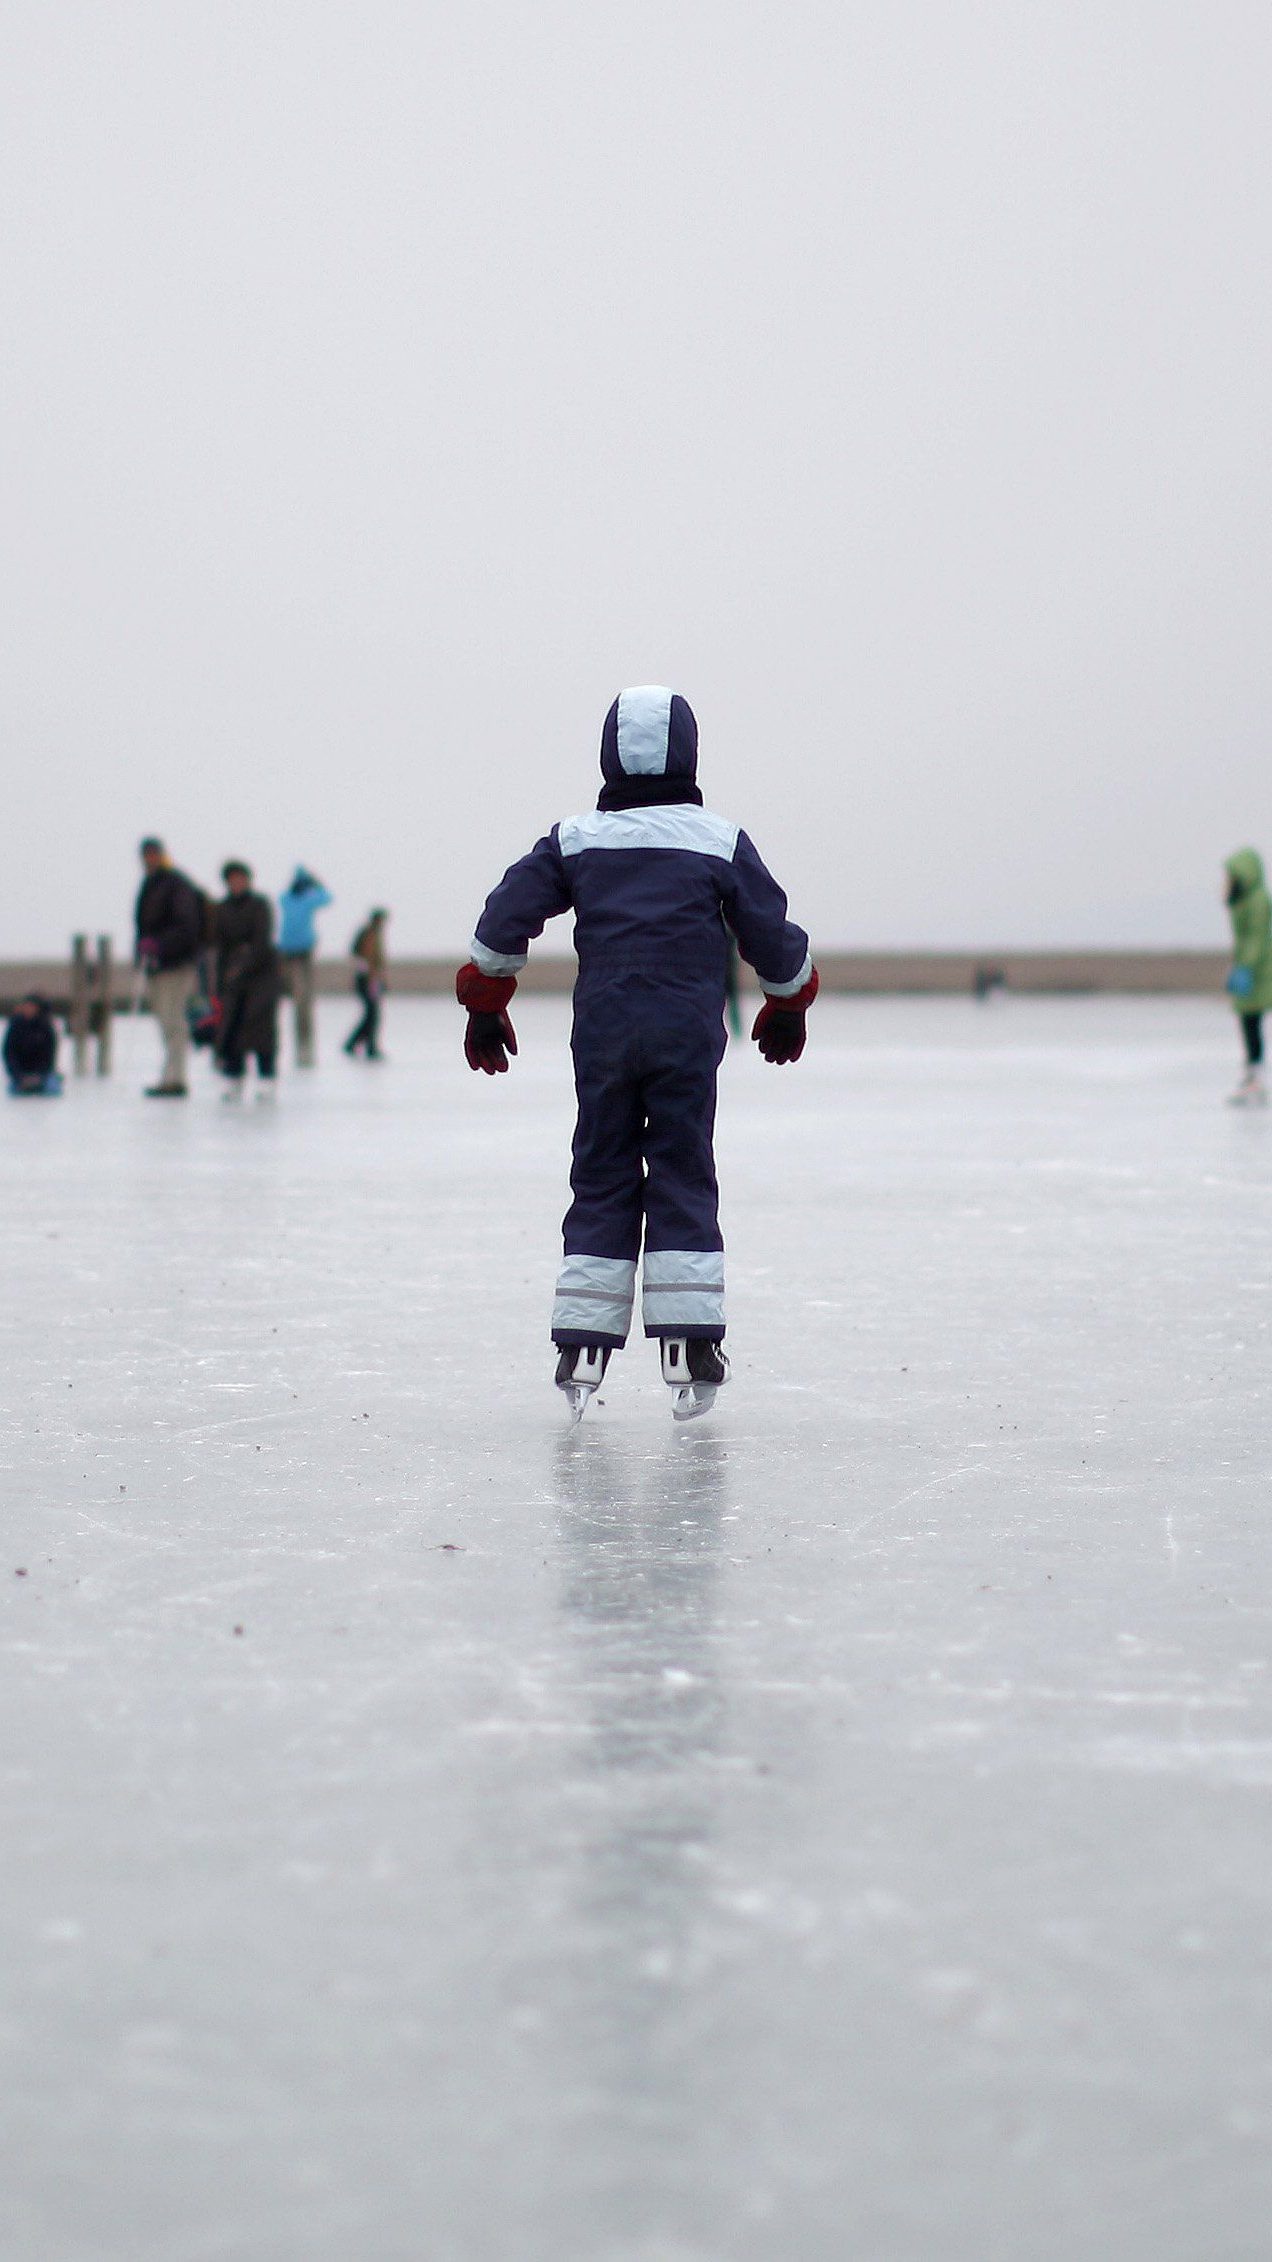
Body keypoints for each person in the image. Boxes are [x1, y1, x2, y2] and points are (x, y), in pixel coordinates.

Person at [456, 685, 818, 1421]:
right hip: (685, 1034)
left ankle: (582, 1346)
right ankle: (687, 1345)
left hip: (605, 1035)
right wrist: (786, 1000)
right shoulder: (716, 839)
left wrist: (487, 1004)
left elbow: (501, 925)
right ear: (688, 752)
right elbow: (775, 937)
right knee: (682, 1169)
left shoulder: (576, 839)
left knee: (602, 1173)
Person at [134, 837, 206, 1097]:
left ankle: (176, 1078)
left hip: (176, 965)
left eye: (153, 854)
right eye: (146, 855)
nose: (149, 859)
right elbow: (143, 927)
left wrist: (160, 945)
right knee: (165, 1022)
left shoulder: (175, 884)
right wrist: (143, 952)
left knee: (174, 1021)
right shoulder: (150, 885)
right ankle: (169, 1075)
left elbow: (187, 926)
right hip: (155, 966)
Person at [212, 862, 282, 1099]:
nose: (237, 883)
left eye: (241, 878)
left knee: (260, 1028)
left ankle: (266, 1076)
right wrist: (222, 977)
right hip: (233, 978)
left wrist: (245, 961)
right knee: (231, 1025)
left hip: (262, 976)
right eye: (232, 879)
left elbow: (262, 940)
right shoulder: (222, 908)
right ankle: (233, 1074)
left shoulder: (260, 905)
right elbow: (220, 945)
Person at [1224, 848, 1272, 1107]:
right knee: (1248, 1020)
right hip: (1252, 967)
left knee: (1252, 1020)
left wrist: (1245, 967)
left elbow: (1256, 937)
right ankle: (1253, 1072)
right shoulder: (1245, 898)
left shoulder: (1258, 899)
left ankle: (1256, 1075)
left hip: (1260, 971)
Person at [278, 867, 332, 1066]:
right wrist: (316, 884)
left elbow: (327, 898)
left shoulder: (303, 899)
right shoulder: (289, 898)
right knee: (294, 999)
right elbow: (325, 896)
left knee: (304, 1001)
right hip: (286, 952)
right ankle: (297, 1044)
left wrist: (315, 884)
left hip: (303, 952)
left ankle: (305, 1046)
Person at [345, 909, 389, 1059]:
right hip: (368, 979)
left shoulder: (371, 934)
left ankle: (358, 1043)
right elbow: (370, 958)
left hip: (369, 978)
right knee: (372, 1014)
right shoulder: (371, 935)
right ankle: (366, 1045)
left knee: (371, 1014)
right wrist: (374, 978)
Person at [4, 995, 63, 1095]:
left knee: (53, 1089)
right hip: (21, 1074)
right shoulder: (15, 1027)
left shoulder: (46, 1027)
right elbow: (9, 1054)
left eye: (31, 1007)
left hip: (42, 1074)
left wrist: (38, 1077)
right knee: (13, 1092)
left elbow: (49, 1056)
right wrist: (19, 1076)